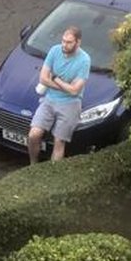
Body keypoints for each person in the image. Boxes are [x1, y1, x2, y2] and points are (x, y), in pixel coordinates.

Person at [28, 26, 91, 163]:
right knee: (34, 134)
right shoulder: (54, 50)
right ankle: (33, 166)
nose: (64, 45)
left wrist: (55, 78)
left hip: (70, 104)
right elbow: (43, 78)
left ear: (78, 42)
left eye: (69, 42)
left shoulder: (84, 60)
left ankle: (52, 172)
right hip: (49, 100)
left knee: (59, 141)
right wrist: (64, 85)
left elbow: (74, 91)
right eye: (63, 41)